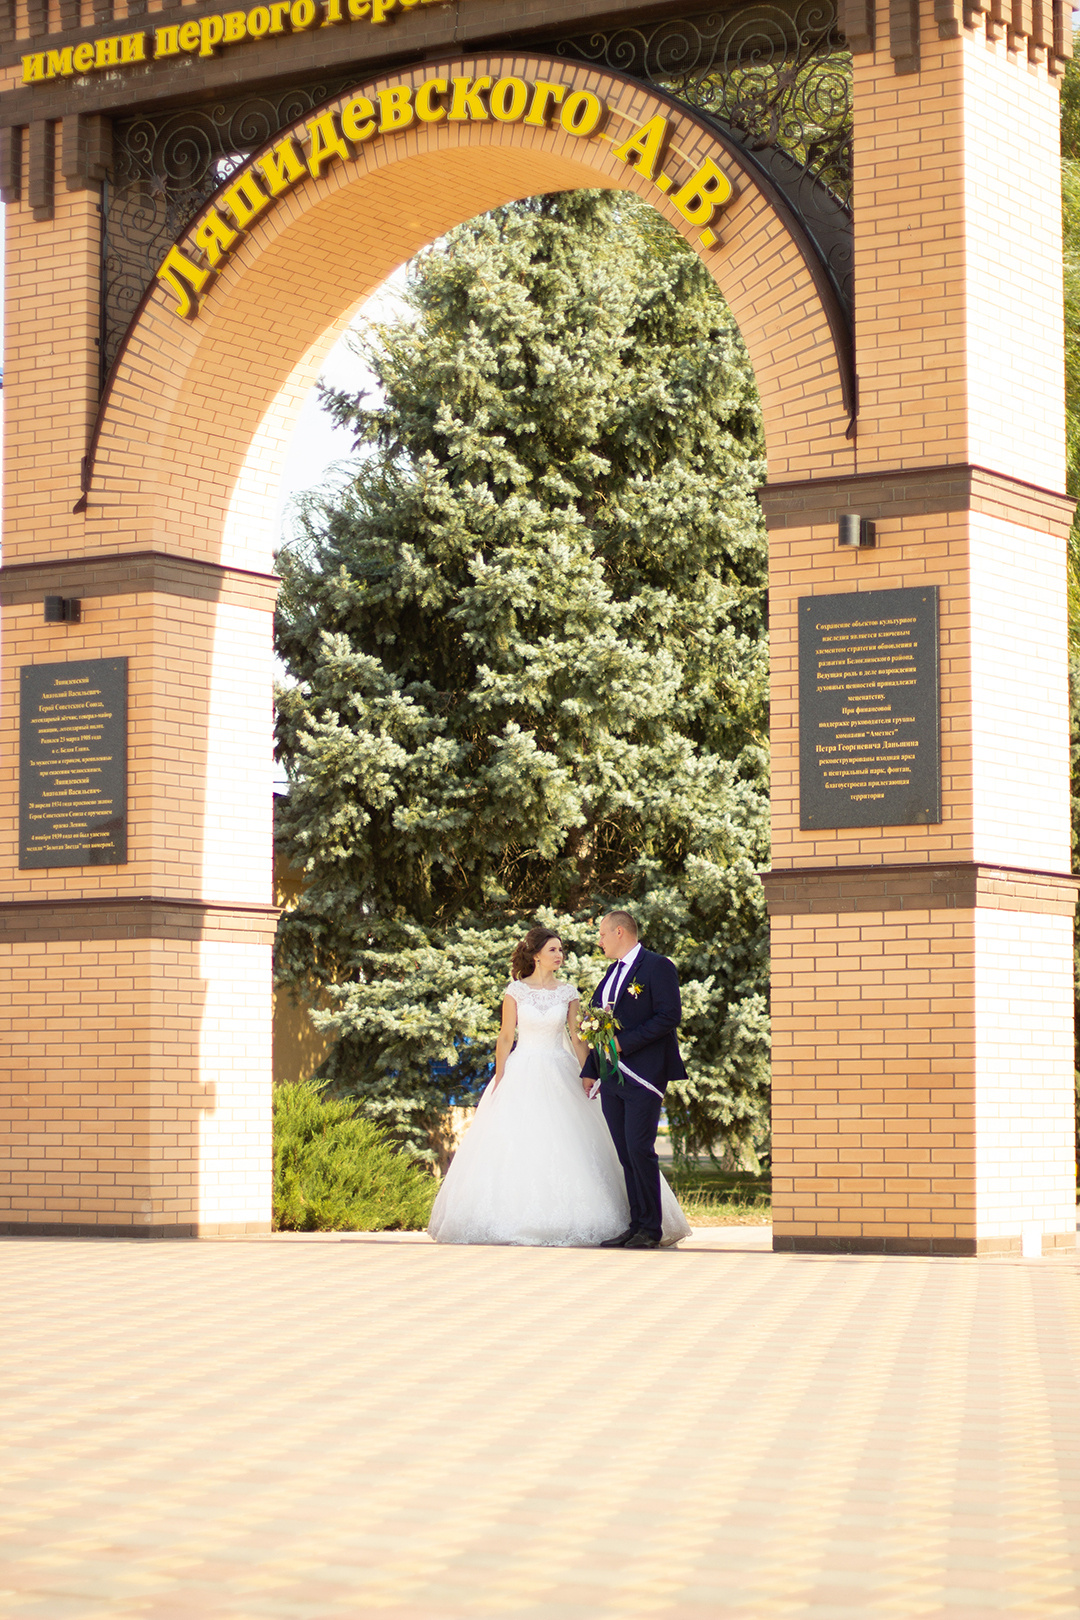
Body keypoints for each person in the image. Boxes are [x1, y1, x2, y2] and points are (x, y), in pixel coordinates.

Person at [428, 925, 689, 1247]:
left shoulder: (568, 992)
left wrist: (589, 1072)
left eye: (561, 950)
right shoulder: (515, 992)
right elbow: (506, 1036)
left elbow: (578, 1037)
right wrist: (500, 1078)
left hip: (559, 1068)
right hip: (522, 1070)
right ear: (536, 954)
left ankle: (643, 1225)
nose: (560, 955)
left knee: (601, 1143)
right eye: (554, 949)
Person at [580, 910, 688, 1250]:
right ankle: (635, 1224)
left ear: (620, 932)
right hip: (613, 1077)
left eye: (602, 934)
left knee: (641, 1149)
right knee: (625, 1152)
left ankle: (651, 1229)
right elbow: (600, 1025)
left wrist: (625, 1043)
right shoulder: (611, 974)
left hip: (644, 1074)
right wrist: (590, 1070)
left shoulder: (657, 966)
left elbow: (669, 1015)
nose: (599, 941)